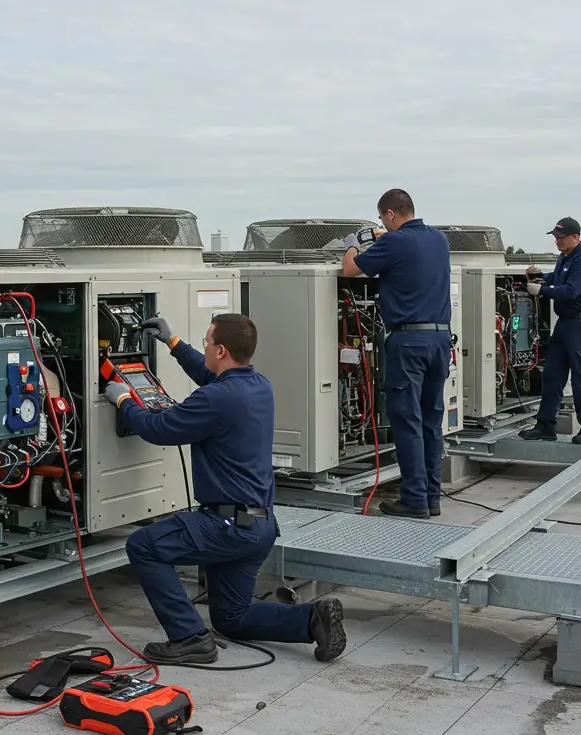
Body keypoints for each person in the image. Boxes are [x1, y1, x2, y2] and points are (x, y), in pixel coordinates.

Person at [104, 313, 347, 665]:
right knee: (231, 617)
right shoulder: (258, 385)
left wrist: (124, 400)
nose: (203, 347)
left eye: (205, 342)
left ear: (220, 350)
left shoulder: (215, 400)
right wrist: (174, 344)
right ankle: (312, 619)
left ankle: (188, 638)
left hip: (226, 526)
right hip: (258, 526)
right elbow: (212, 378)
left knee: (143, 546)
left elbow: (159, 429)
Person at [341, 188, 453, 519]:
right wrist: (381, 236)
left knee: (406, 420)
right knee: (431, 420)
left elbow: (350, 269)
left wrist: (352, 242)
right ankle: (432, 497)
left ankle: (414, 499)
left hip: (409, 343)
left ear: (390, 214)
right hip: (439, 340)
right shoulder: (438, 240)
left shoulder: (393, 242)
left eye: (382, 218)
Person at [519, 217, 581, 444]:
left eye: (561, 238)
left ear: (575, 237)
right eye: (555, 237)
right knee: (552, 376)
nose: (557, 241)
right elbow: (556, 279)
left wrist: (542, 291)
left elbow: (571, 290)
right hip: (564, 324)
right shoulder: (564, 258)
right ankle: (545, 426)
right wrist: (539, 278)